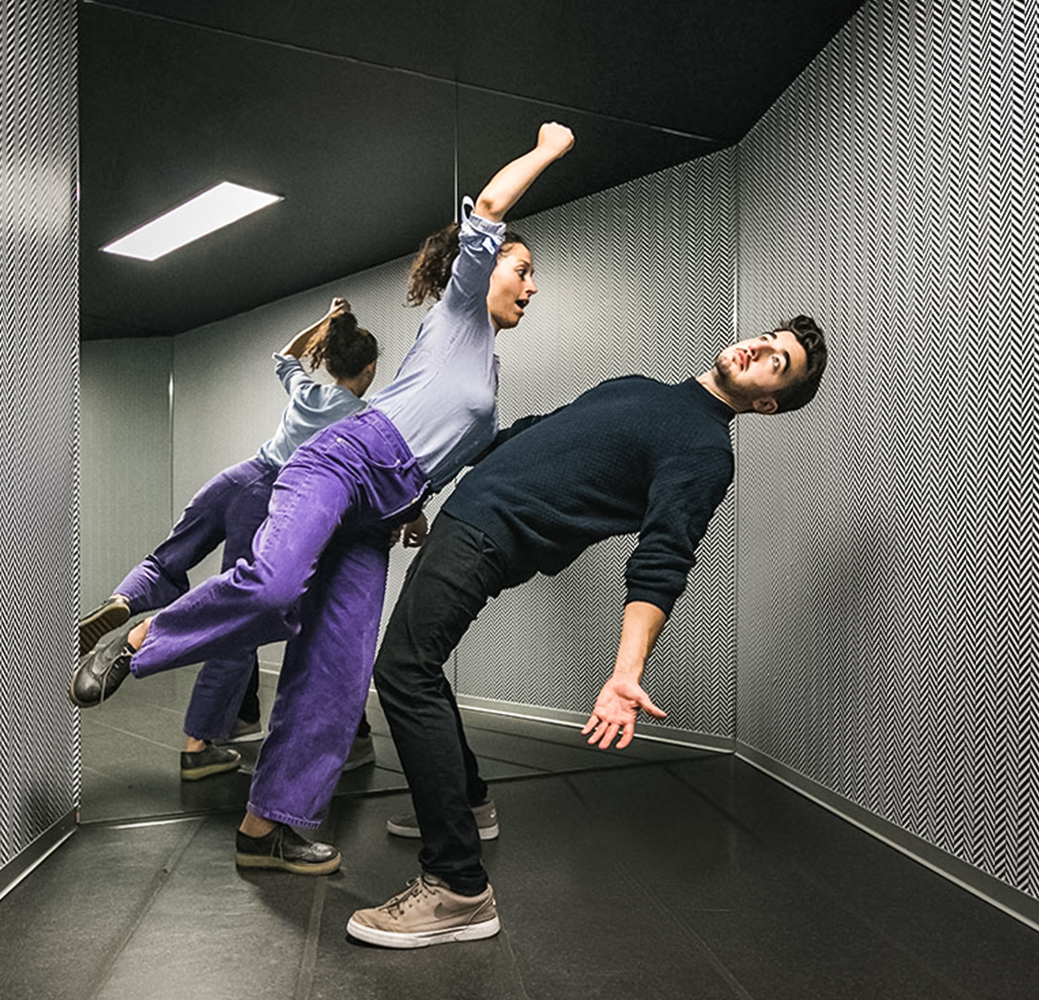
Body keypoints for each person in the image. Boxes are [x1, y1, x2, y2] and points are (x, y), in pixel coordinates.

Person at [72, 122, 576, 875]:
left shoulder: (485, 372)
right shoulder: (461, 310)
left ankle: (264, 829)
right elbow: (493, 206)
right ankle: (141, 643)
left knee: (339, 673)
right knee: (273, 586)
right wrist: (547, 150)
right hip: (343, 462)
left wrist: (414, 509)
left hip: (379, 512)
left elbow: (433, 450)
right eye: (523, 270)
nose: (531, 286)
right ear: (478, 270)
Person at [344, 316, 829, 948]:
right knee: (420, 668)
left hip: (496, 536)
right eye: (767, 338)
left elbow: (664, 557)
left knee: (403, 671)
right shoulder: (639, 386)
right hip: (470, 512)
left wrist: (626, 671)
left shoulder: (706, 451)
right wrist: (424, 486)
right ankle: (470, 804)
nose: (760, 348)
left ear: (766, 401)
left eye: (777, 363)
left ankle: (457, 888)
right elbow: (533, 433)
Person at [73, 298, 383, 782]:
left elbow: (283, 357)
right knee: (236, 623)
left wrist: (323, 323)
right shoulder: (360, 418)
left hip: (237, 478)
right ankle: (198, 747)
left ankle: (124, 597)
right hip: (273, 498)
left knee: (167, 559)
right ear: (367, 370)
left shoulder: (305, 391)